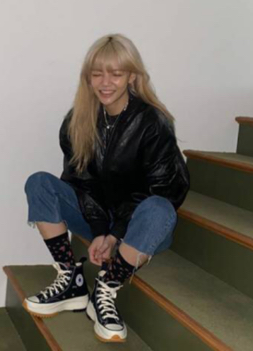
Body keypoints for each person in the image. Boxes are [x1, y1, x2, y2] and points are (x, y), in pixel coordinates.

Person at [22, 34, 190, 343]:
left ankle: (106, 288)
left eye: (116, 73)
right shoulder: (77, 120)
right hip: (97, 217)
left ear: (132, 76)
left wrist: (115, 235)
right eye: (97, 74)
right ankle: (70, 279)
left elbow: (166, 188)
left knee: (159, 208)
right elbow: (79, 182)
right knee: (40, 183)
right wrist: (100, 229)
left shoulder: (153, 122)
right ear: (87, 78)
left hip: (141, 228)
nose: (105, 83)